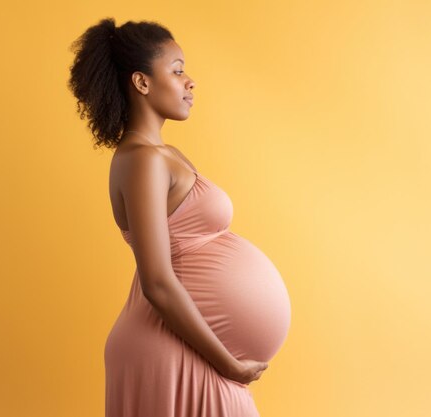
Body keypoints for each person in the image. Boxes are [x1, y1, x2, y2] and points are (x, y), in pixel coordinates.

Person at [67, 17, 291, 417]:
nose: (190, 81)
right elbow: (156, 280)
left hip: (186, 347)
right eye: (177, 69)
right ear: (141, 82)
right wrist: (228, 364)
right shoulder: (143, 161)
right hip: (170, 350)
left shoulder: (160, 155)